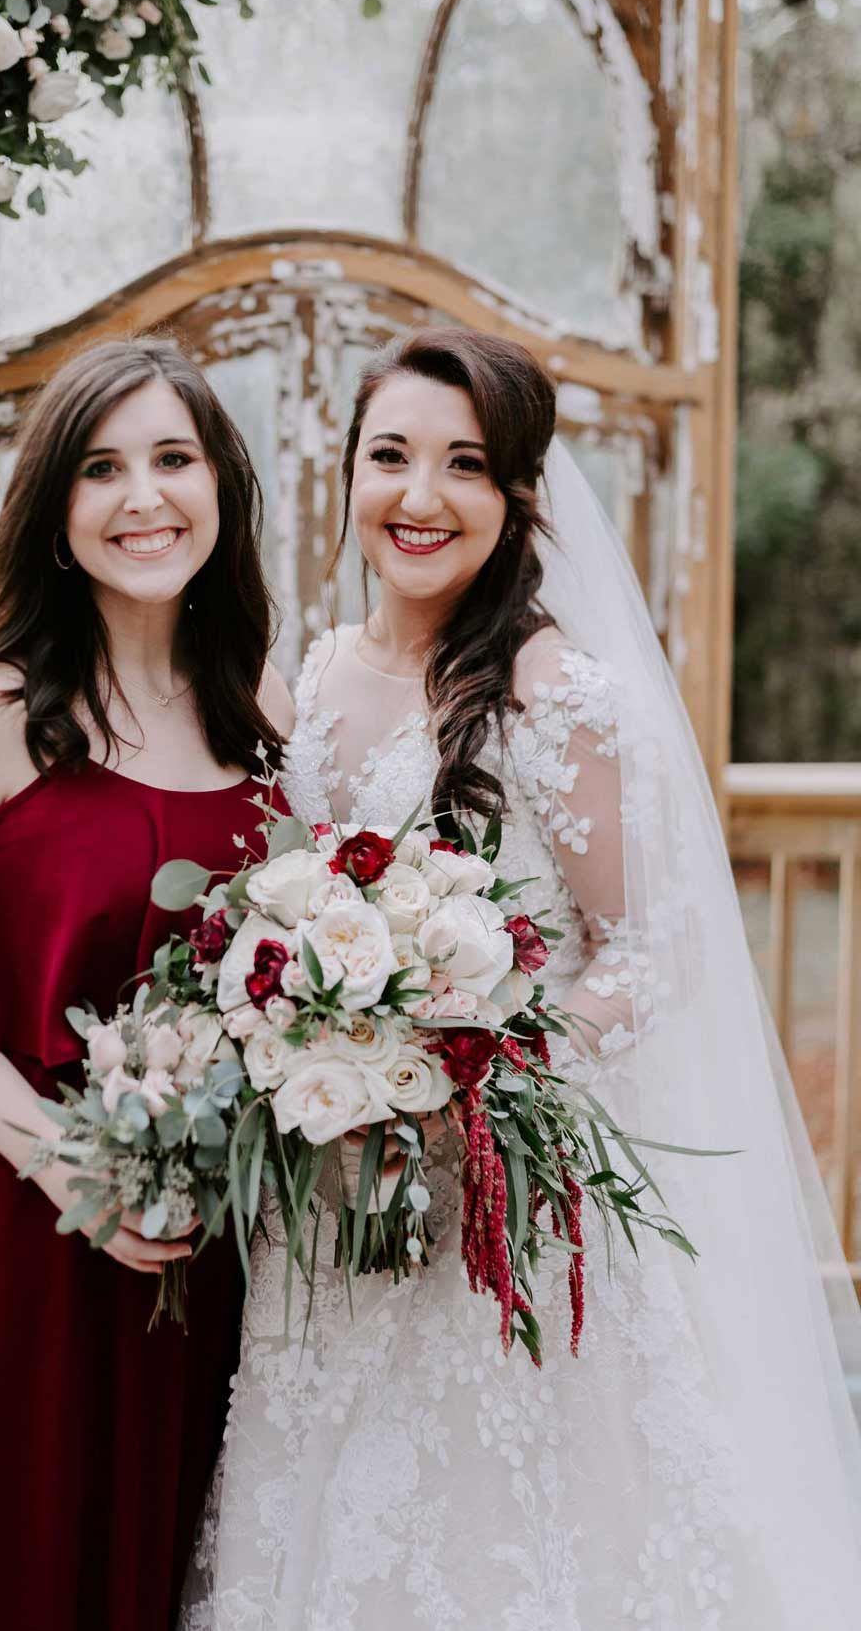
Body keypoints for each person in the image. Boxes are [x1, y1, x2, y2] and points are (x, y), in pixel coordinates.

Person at [182, 328, 861, 1629]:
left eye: (466, 465)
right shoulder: (312, 672)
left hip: (505, 1204)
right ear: (349, 472)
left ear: (517, 496)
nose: (420, 496)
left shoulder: (559, 698)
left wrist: (483, 1073)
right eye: (391, 456)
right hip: (333, 1198)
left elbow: (647, 952)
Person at [0, 337, 294, 1631]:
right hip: (34, 1221)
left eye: (173, 458)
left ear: (221, 485)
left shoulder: (258, 700)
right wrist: (75, 1172)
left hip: (219, 1237)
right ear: (54, 505)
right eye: (101, 467)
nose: (143, 497)